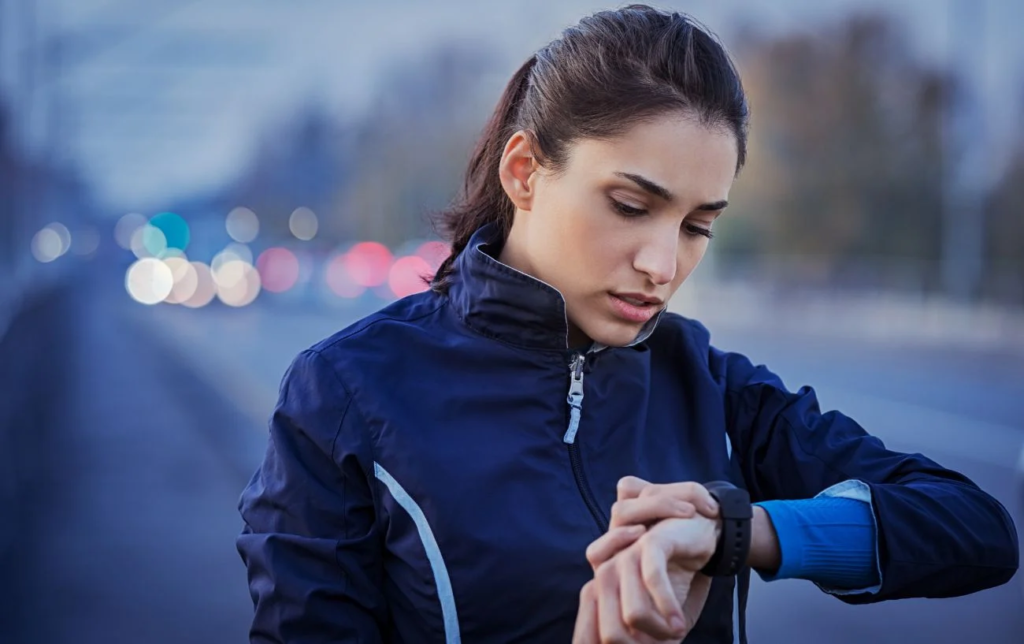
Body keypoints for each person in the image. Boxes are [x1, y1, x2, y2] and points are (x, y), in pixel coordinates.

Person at [236, 5, 1019, 643]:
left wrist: (736, 531)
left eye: (698, 226)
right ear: (524, 172)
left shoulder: (707, 381)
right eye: (631, 205)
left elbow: (976, 531)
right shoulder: (347, 392)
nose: (663, 264)